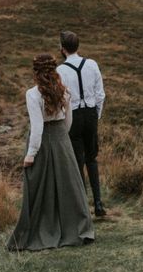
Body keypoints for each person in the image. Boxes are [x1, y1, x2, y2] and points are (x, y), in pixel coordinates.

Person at [7, 53, 94, 251]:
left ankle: (44, 230)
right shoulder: (64, 91)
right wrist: (62, 137)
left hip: (44, 143)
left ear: (36, 72)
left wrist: (30, 155)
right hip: (62, 140)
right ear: (53, 70)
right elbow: (68, 121)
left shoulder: (32, 94)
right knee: (68, 186)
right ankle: (75, 229)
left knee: (42, 187)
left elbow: (37, 128)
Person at [57, 31, 107, 217]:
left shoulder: (60, 70)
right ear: (78, 46)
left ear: (62, 49)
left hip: (74, 116)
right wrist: (96, 115)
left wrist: (64, 120)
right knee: (92, 159)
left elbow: (61, 99)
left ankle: (83, 207)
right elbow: (100, 94)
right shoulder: (92, 64)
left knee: (77, 162)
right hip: (91, 114)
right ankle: (99, 203)